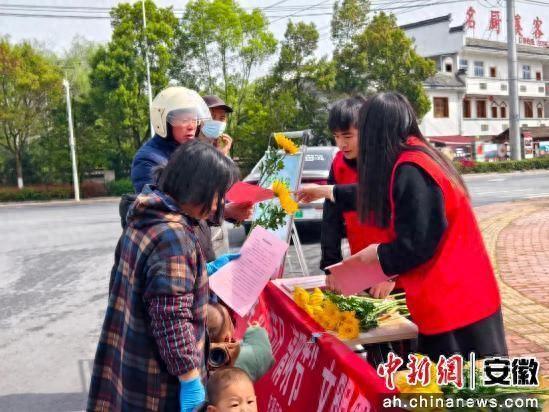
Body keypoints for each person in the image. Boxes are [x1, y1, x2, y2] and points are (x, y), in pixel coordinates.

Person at [297, 92, 506, 360]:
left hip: (455, 301)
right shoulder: (414, 155)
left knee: (470, 379)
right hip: (457, 295)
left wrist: (378, 258)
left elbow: (416, 243)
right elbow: (379, 195)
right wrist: (329, 192)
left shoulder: (412, 168)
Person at [88, 141, 240, 412]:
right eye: (218, 194)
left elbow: (150, 282)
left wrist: (204, 271)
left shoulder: (145, 215)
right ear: (197, 188)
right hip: (157, 378)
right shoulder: (174, 237)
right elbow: (171, 320)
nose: (219, 203)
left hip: (130, 358)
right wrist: (190, 378)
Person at [128, 86, 251, 263]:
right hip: (173, 253)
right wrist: (226, 211)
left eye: (194, 118)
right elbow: (165, 210)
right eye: (183, 118)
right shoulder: (148, 159)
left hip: (197, 248)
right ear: (162, 120)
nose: (192, 125)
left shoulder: (189, 150)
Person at [320, 96, 397, 299]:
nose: (341, 144)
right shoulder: (338, 164)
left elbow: (407, 225)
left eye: (347, 136)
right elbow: (331, 219)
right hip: (363, 266)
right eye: (336, 137)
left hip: (398, 268)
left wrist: (392, 272)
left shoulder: (389, 162)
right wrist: (331, 265)